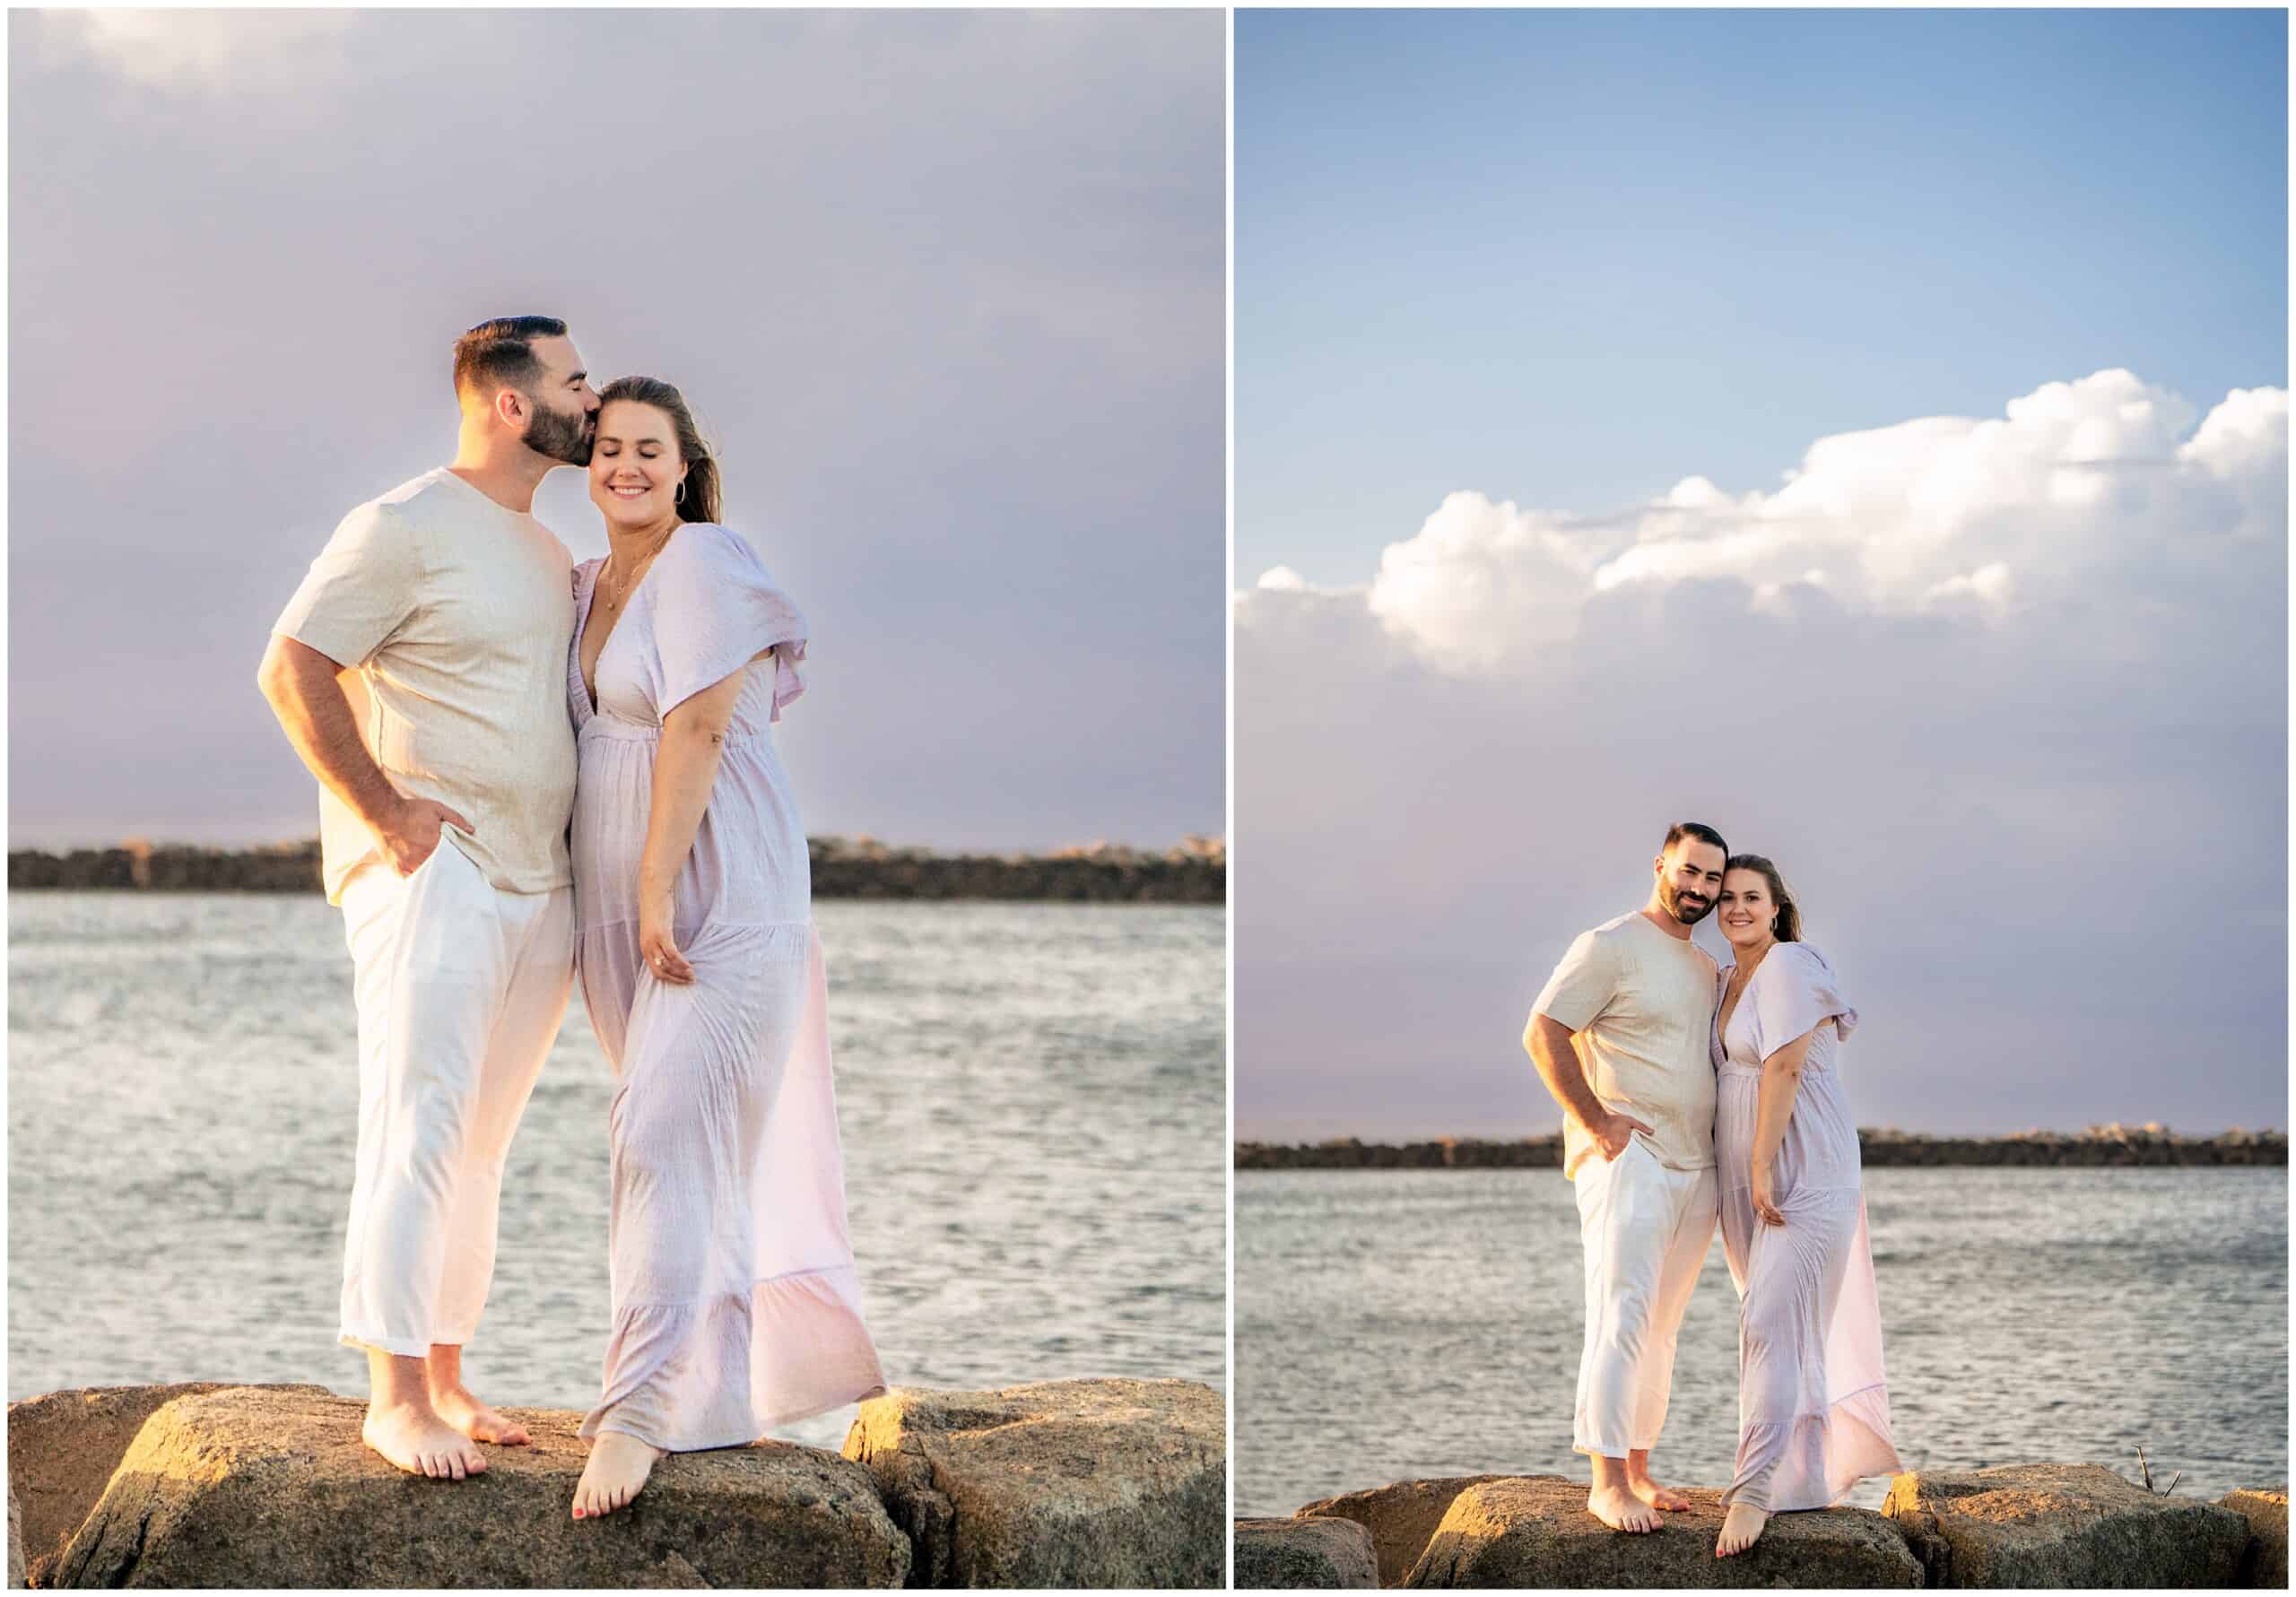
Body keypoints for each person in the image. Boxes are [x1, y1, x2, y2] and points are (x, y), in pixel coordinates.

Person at [257, 316, 598, 1479]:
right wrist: (388, 811)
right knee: (416, 1126)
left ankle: (448, 1375)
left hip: (536, 876)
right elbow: (291, 664)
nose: (590, 399)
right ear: (512, 402)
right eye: (574, 380)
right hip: (433, 870)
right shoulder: (402, 524)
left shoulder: (550, 550)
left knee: (482, 1145)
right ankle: (393, 1396)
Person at [566, 377, 886, 1521]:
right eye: (606, 447)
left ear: (688, 464)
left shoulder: (705, 560)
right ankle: (710, 1396)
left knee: (658, 1134)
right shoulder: (586, 582)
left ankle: (639, 1408)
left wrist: (656, 888)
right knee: (681, 1151)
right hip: (617, 905)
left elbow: (696, 726)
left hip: (718, 892)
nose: (626, 466)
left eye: (649, 448)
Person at [1523, 822, 1727, 1533]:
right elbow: (1542, 1030)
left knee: (1662, 1328)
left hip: (1695, 1163)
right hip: (1628, 1158)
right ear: (1661, 864)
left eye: (1711, 879)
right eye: (1690, 871)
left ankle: (1639, 1468)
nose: (1699, 888)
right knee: (1621, 1315)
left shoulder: (1705, 968)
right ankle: (1605, 1482)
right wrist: (1597, 1119)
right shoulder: (1608, 945)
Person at [1709, 855, 1900, 1557]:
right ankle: (1807, 1476)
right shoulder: (1728, 978)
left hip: (1801, 1167)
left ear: (1776, 905)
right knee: (1778, 1328)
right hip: (1746, 1174)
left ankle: (1755, 1489)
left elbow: (1783, 1066)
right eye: (1726, 897)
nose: (1736, 907)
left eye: (1750, 896)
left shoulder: (1790, 963)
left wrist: (1760, 1165)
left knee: (1769, 1323)